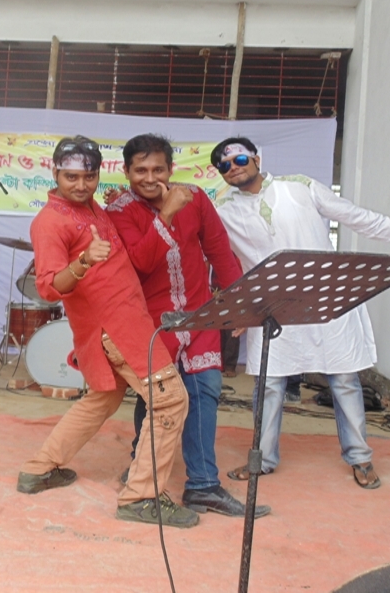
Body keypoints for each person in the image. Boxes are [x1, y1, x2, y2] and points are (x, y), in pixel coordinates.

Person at [211, 137, 390, 489]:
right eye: (224, 165)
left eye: (240, 159)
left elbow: (359, 219)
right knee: (269, 386)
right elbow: (216, 256)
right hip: (272, 308)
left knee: (344, 380)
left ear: (257, 159)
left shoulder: (302, 188)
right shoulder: (221, 211)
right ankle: (261, 459)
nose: (233, 167)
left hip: (327, 300)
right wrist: (237, 308)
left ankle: (360, 458)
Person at [16, 136, 197, 529]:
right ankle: (141, 497)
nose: (81, 185)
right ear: (54, 173)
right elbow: (48, 287)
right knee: (170, 401)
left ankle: (38, 469)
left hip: (122, 321)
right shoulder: (50, 222)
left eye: (89, 177)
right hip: (117, 328)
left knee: (102, 399)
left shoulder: (90, 207)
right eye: (71, 177)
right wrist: (83, 261)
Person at [105, 133, 270, 519]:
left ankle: (203, 486)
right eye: (141, 170)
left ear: (170, 169)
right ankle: (142, 466)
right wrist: (165, 214)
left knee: (205, 391)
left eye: (158, 169)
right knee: (156, 397)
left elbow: (219, 251)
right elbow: (141, 263)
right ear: (126, 171)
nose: (150, 178)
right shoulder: (119, 211)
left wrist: (237, 306)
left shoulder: (195, 197)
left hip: (199, 315)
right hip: (151, 321)